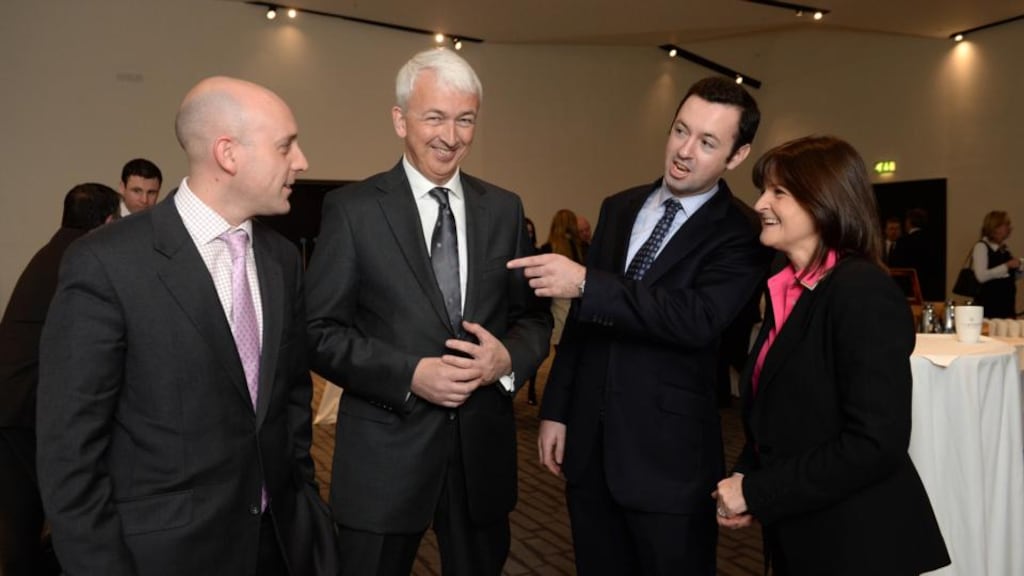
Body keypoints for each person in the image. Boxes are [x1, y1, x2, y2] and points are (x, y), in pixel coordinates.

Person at [37, 76, 331, 576]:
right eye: (286, 145)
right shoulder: (107, 262)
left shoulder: (281, 259)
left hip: (279, 545)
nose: (301, 161)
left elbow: (290, 403)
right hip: (163, 557)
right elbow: (69, 449)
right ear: (228, 153)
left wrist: (306, 509)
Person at [509, 76, 771, 575]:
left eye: (708, 142)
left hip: (669, 461)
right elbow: (586, 326)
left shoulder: (741, 232)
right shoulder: (620, 207)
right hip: (589, 450)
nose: (685, 151)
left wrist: (588, 282)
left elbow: (695, 318)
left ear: (737, 157)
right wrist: (558, 409)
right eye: (680, 131)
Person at [305, 49, 551, 576]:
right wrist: (411, 374)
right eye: (434, 116)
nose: (451, 135)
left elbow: (532, 319)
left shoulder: (503, 207)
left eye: (465, 119)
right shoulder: (353, 210)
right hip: (384, 456)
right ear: (400, 120)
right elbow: (318, 332)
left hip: (480, 458)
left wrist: (505, 360)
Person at [714, 135, 950, 575]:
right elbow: (779, 414)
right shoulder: (787, 288)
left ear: (824, 201)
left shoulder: (861, 290)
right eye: (763, 189)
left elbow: (876, 442)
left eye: (777, 192)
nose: (761, 203)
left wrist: (759, 492)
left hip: (859, 543)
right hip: (806, 533)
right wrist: (748, 475)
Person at [0, 183, 119, 576]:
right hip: (28, 407)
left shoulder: (51, 252)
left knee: (21, 521)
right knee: (34, 520)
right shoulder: (81, 260)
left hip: (12, 399)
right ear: (106, 222)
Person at [971, 210, 1022, 318]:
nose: (1010, 228)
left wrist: (1020, 270)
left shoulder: (1004, 249)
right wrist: (1007, 265)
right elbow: (981, 276)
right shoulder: (981, 247)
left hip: (1006, 306)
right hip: (990, 307)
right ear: (995, 227)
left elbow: (1007, 277)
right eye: (1006, 224)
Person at [889, 207, 942, 300]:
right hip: (931, 290)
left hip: (909, 290)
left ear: (909, 222)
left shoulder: (903, 241)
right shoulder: (933, 241)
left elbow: (896, 267)